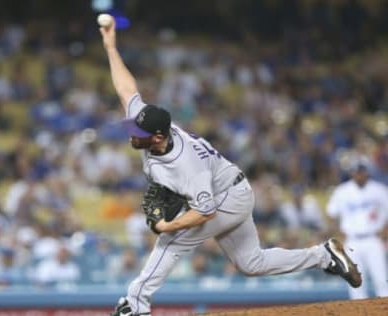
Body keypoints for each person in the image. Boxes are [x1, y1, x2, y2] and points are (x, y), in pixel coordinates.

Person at [99, 18, 361, 316]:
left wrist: (169, 225)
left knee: (171, 240)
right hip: (232, 188)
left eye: (139, 133)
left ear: (158, 137)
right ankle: (323, 256)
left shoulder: (186, 165)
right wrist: (110, 47)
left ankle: (135, 304)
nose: (132, 135)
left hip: (224, 198)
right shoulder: (155, 131)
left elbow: (206, 211)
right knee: (252, 264)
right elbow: (126, 90)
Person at [327, 156, 388, 299]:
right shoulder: (342, 191)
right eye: (356, 171)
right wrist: (338, 233)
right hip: (352, 241)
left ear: (367, 172)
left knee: (382, 280)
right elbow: (331, 214)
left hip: (373, 239)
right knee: (355, 282)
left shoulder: (379, 190)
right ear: (352, 173)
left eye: (362, 171)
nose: (359, 174)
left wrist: (385, 231)